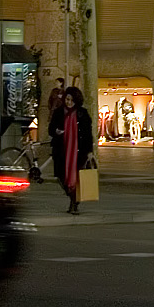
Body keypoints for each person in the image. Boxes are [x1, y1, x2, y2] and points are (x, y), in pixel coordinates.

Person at [59, 85, 94, 216]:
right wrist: (56, 131)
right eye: (67, 99)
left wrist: (89, 151)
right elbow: (51, 128)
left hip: (79, 151)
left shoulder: (82, 113)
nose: (68, 102)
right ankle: (73, 199)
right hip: (63, 150)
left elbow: (88, 134)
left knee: (76, 178)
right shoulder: (59, 112)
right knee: (61, 177)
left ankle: (74, 203)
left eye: (71, 100)